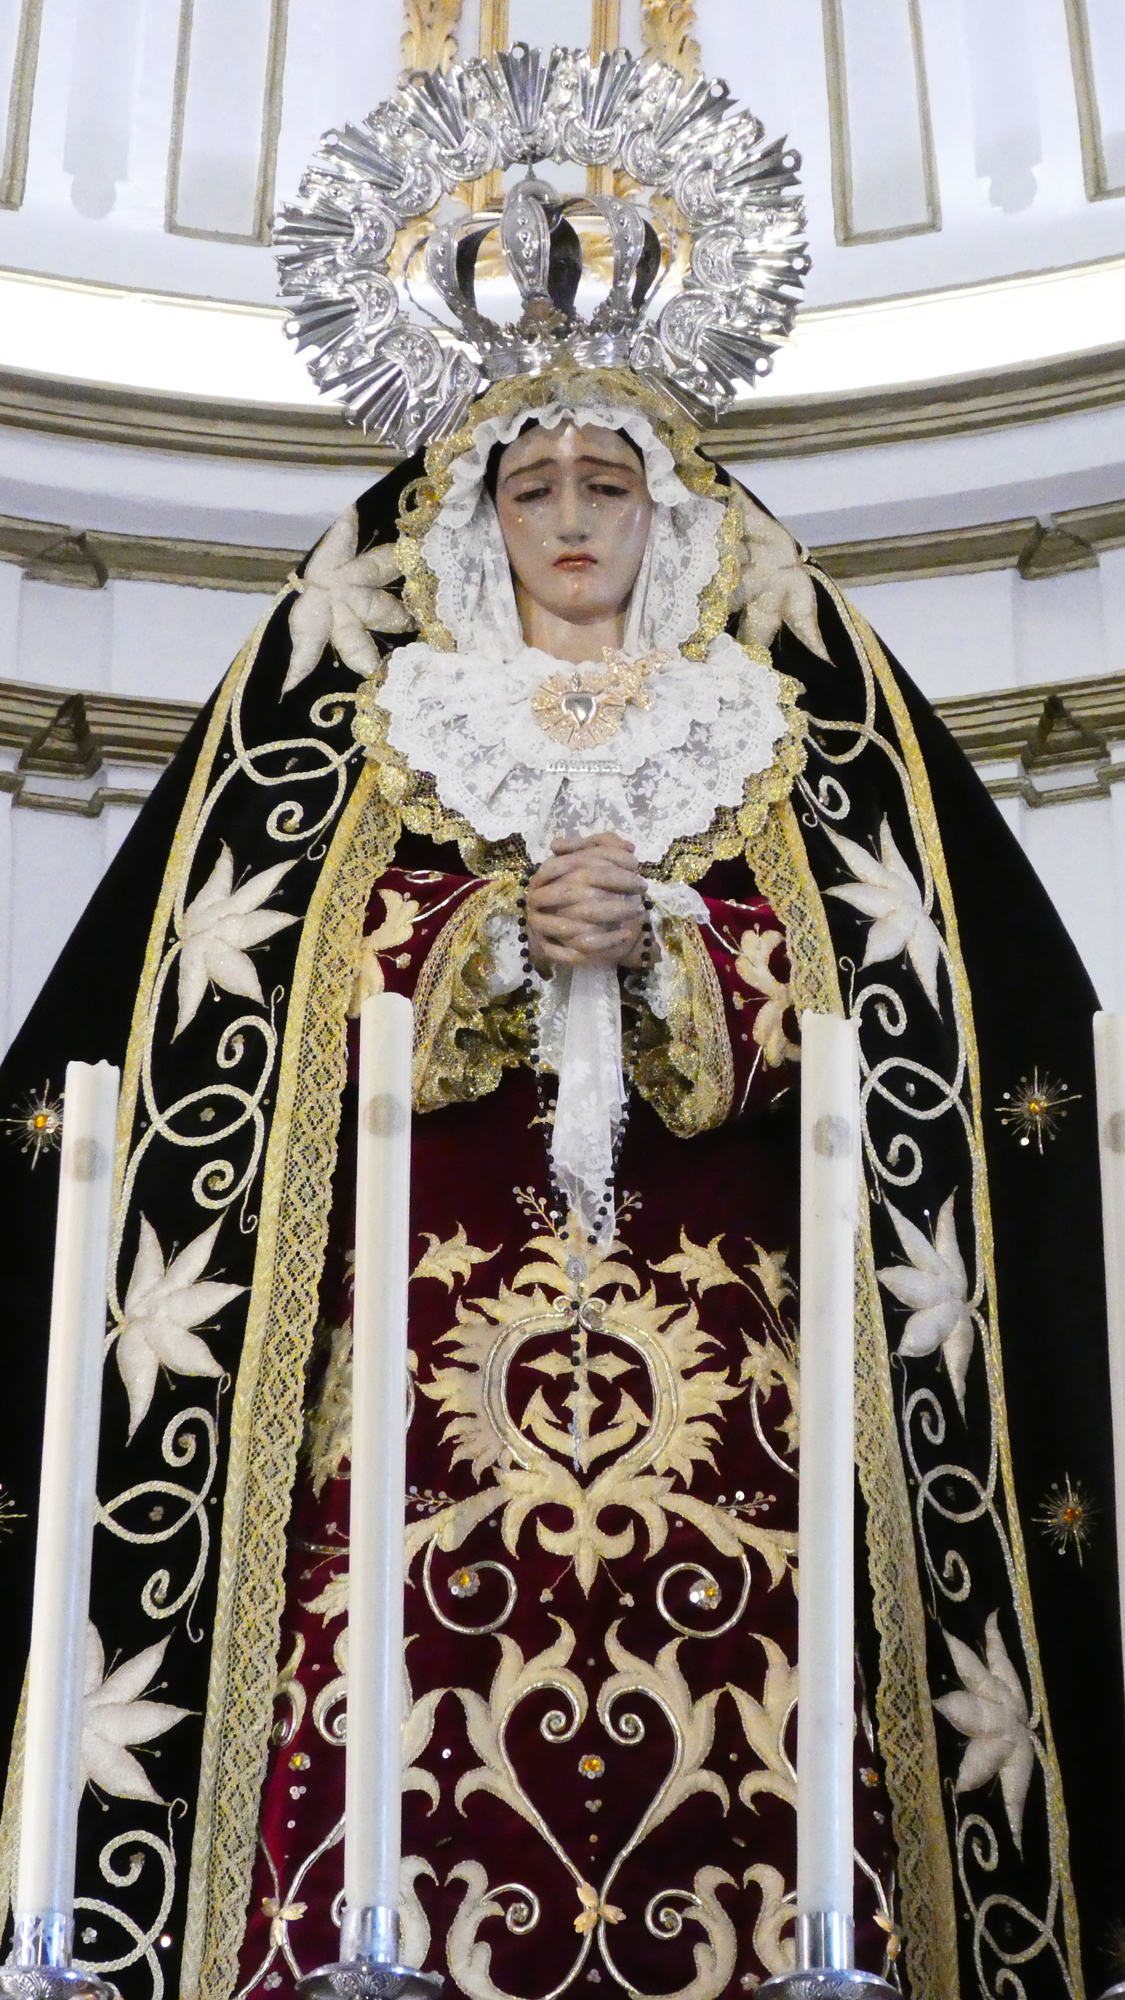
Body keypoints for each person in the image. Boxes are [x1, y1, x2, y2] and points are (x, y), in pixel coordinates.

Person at [0, 51, 1119, 2000]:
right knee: (392, 1671)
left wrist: (688, 961)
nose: (574, 519)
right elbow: (234, 1006)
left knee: (768, 1692)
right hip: (413, 1369)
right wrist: (477, 945)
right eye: (534, 486)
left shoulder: (778, 743)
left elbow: (906, 1009)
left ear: (671, 514)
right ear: (475, 517)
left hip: (738, 1368)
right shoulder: (360, 738)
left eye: (610, 483)